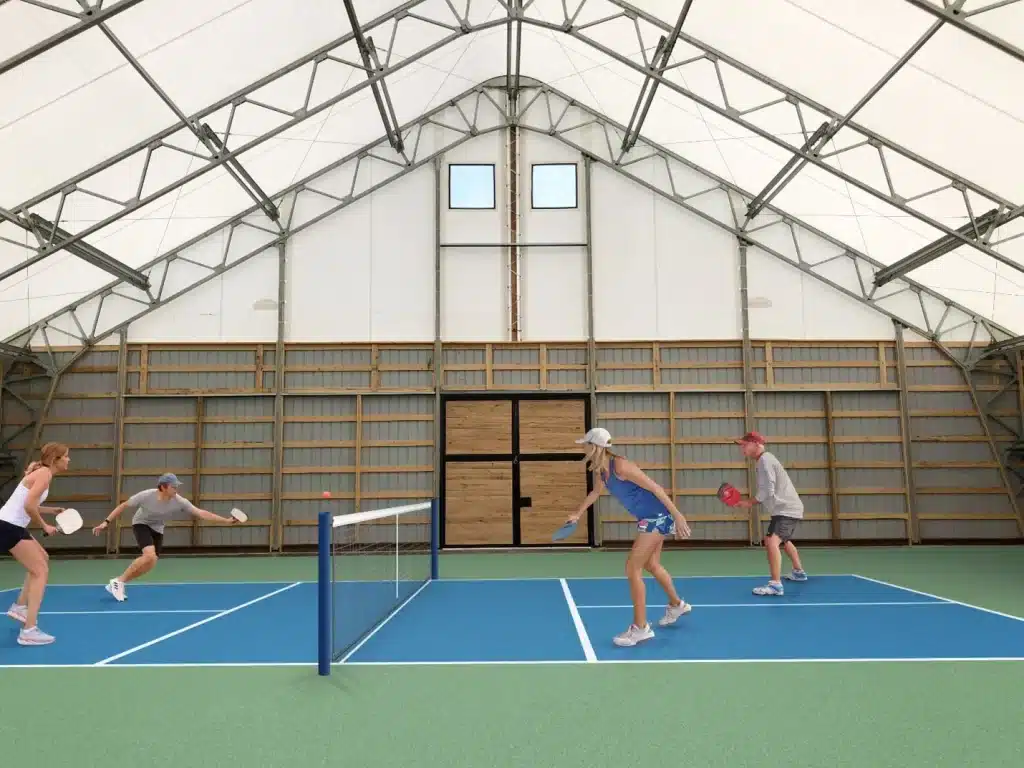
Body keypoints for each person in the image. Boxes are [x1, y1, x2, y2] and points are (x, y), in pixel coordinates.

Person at [567, 427, 692, 647]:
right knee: (652, 565)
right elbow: (595, 493)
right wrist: (578, 514)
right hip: (648, 517)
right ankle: (677, 604)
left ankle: (640, 628)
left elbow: (656, 488)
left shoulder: (621, 466)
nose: (583, 448)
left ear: (595, 447)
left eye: (586, 444)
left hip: (657, 516)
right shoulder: (602, 472)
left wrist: (678, 516)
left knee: (632, 568)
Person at [91, 473, 238, 602]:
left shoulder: (179, 501)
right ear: (163, 487)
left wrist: (226, 520)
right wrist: (105, 522)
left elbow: (201, 513)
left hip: (158, 528)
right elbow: (123, 506)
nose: (176, 489)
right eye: (173, 487)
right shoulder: (146, 495)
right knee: (149, 555)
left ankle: (119, 583)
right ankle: (119, 581)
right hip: (141, 524)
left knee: (152, 561)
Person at [1, 442, 71, 645]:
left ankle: (20, 607)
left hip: (11, 524)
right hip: (8, 526)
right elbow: (29, 505)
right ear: (55, 459)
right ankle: (28, 630)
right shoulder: (44, 474)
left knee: (43, 559)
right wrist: (45, 526)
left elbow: (29, 502)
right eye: (66, 456)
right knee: (40, 571)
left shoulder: (41, 472)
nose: (69, 460)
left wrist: (52, 510)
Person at [733, 431, 807, 596]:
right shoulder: (764, 460)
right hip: (785, 509)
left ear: (756, 444)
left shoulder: (765, 460)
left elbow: (768, 490)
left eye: (745, 445)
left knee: (771, 541)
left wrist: (748, 502)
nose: (742, 449)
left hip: (786, 509)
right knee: (782, 540)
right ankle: (798, 572)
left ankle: (775, 585)